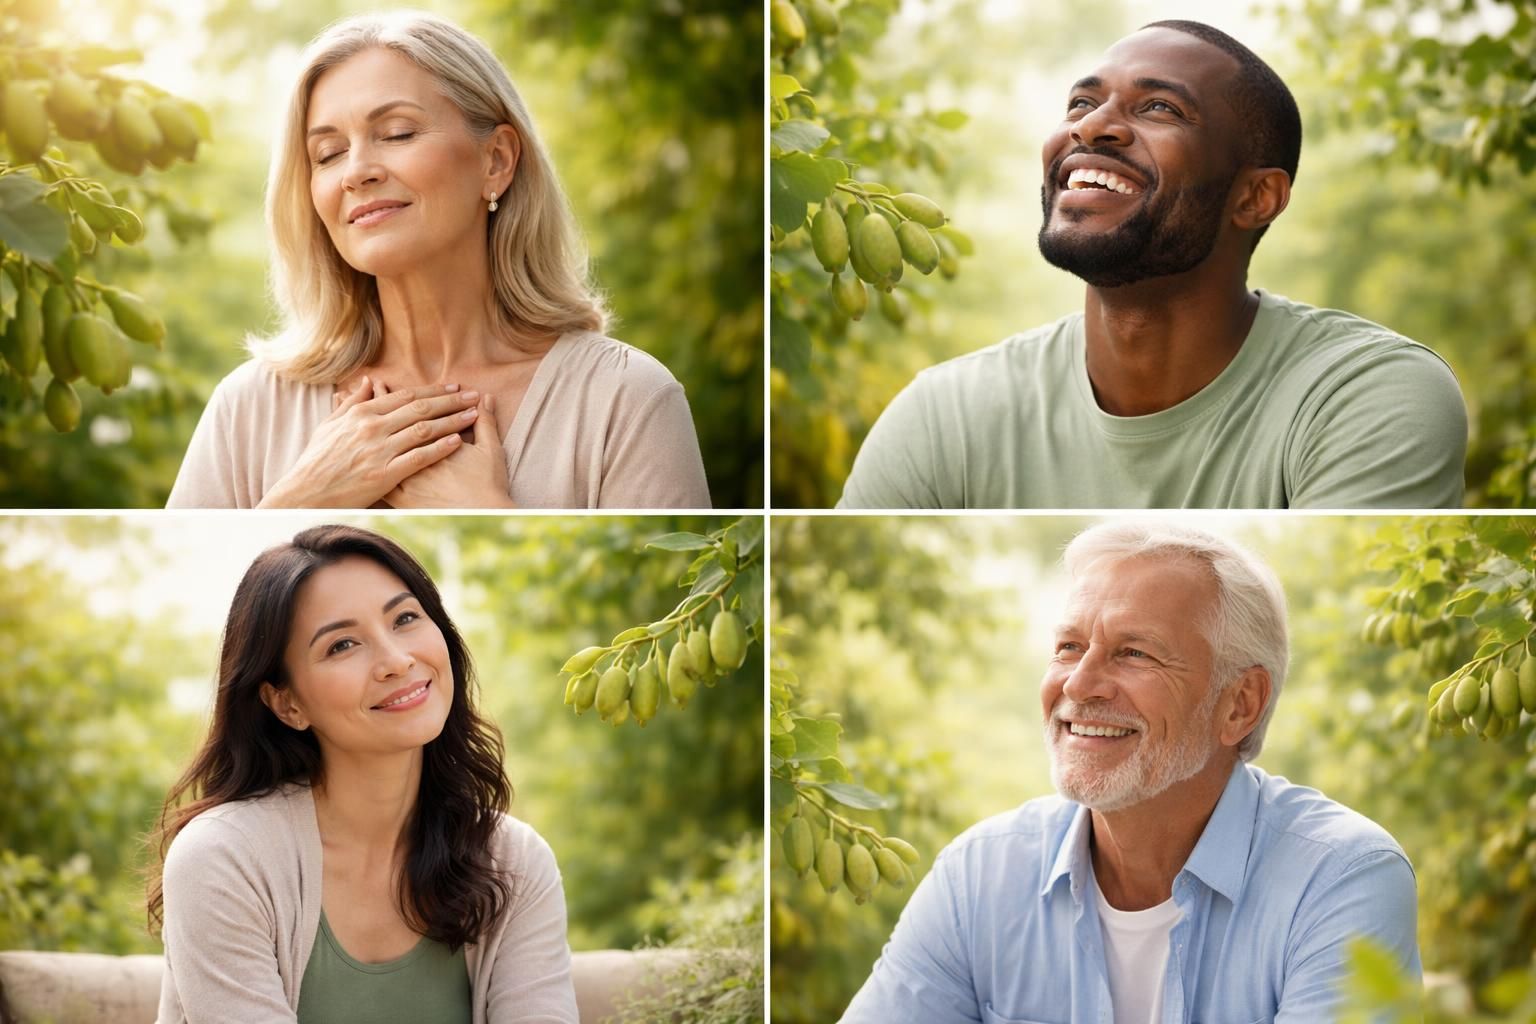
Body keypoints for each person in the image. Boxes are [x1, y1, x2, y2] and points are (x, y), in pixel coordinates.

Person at [837, 20, 1467, 509]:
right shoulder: (946, 415)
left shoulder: (1364, 393)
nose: (1094, 127)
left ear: (1255, 197)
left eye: (1160, 108)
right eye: (1081, 103)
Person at [839, 521, 1420, 1022]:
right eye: (1069, 646)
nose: (1078, 684)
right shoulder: (979, 876)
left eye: (1134, 653)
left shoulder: (1342, 876)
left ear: (1239, 704)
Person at [166, 11, 709, 509]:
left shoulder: (628, 399)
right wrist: (304, 498)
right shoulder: (249, 408)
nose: (356, 171)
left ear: (496, 160)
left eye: (397, 133)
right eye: (327, 154)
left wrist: (488, 514)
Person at [147, 525, 577, 1022]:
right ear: (286, 703)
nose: (397, 661)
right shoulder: (224, 859)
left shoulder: (514, 861)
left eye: (406, 618)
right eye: (342, 645)